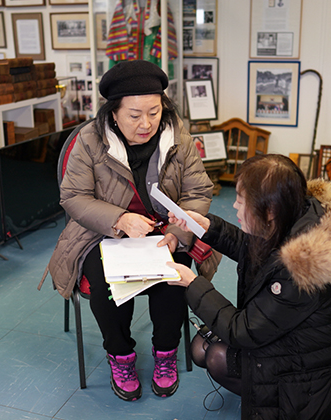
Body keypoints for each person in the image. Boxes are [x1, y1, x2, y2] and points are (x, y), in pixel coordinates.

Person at [43, 60, 218, 401]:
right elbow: (74, 197)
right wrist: (120, 219)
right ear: (113, 113)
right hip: (102, 233)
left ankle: (165, 353)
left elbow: (198, 192)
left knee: (174, 278)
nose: (146, 123)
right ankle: (120, 355)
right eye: (134, 115)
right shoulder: (90, 141)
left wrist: (177, 235)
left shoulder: (178, 138)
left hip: (165, 229)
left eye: (154, 112)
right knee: (108, 281)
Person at [167, 154, 331, 419]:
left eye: (241, 201)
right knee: (203, 348)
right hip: (304, 353)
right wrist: (205, 227)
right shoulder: (300, 217)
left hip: (317, 384)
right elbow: (252, 246)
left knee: (213, 353)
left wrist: (192, 283)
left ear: (270, 210)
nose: (234, 205)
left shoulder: (303, 268)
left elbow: (243, 331)